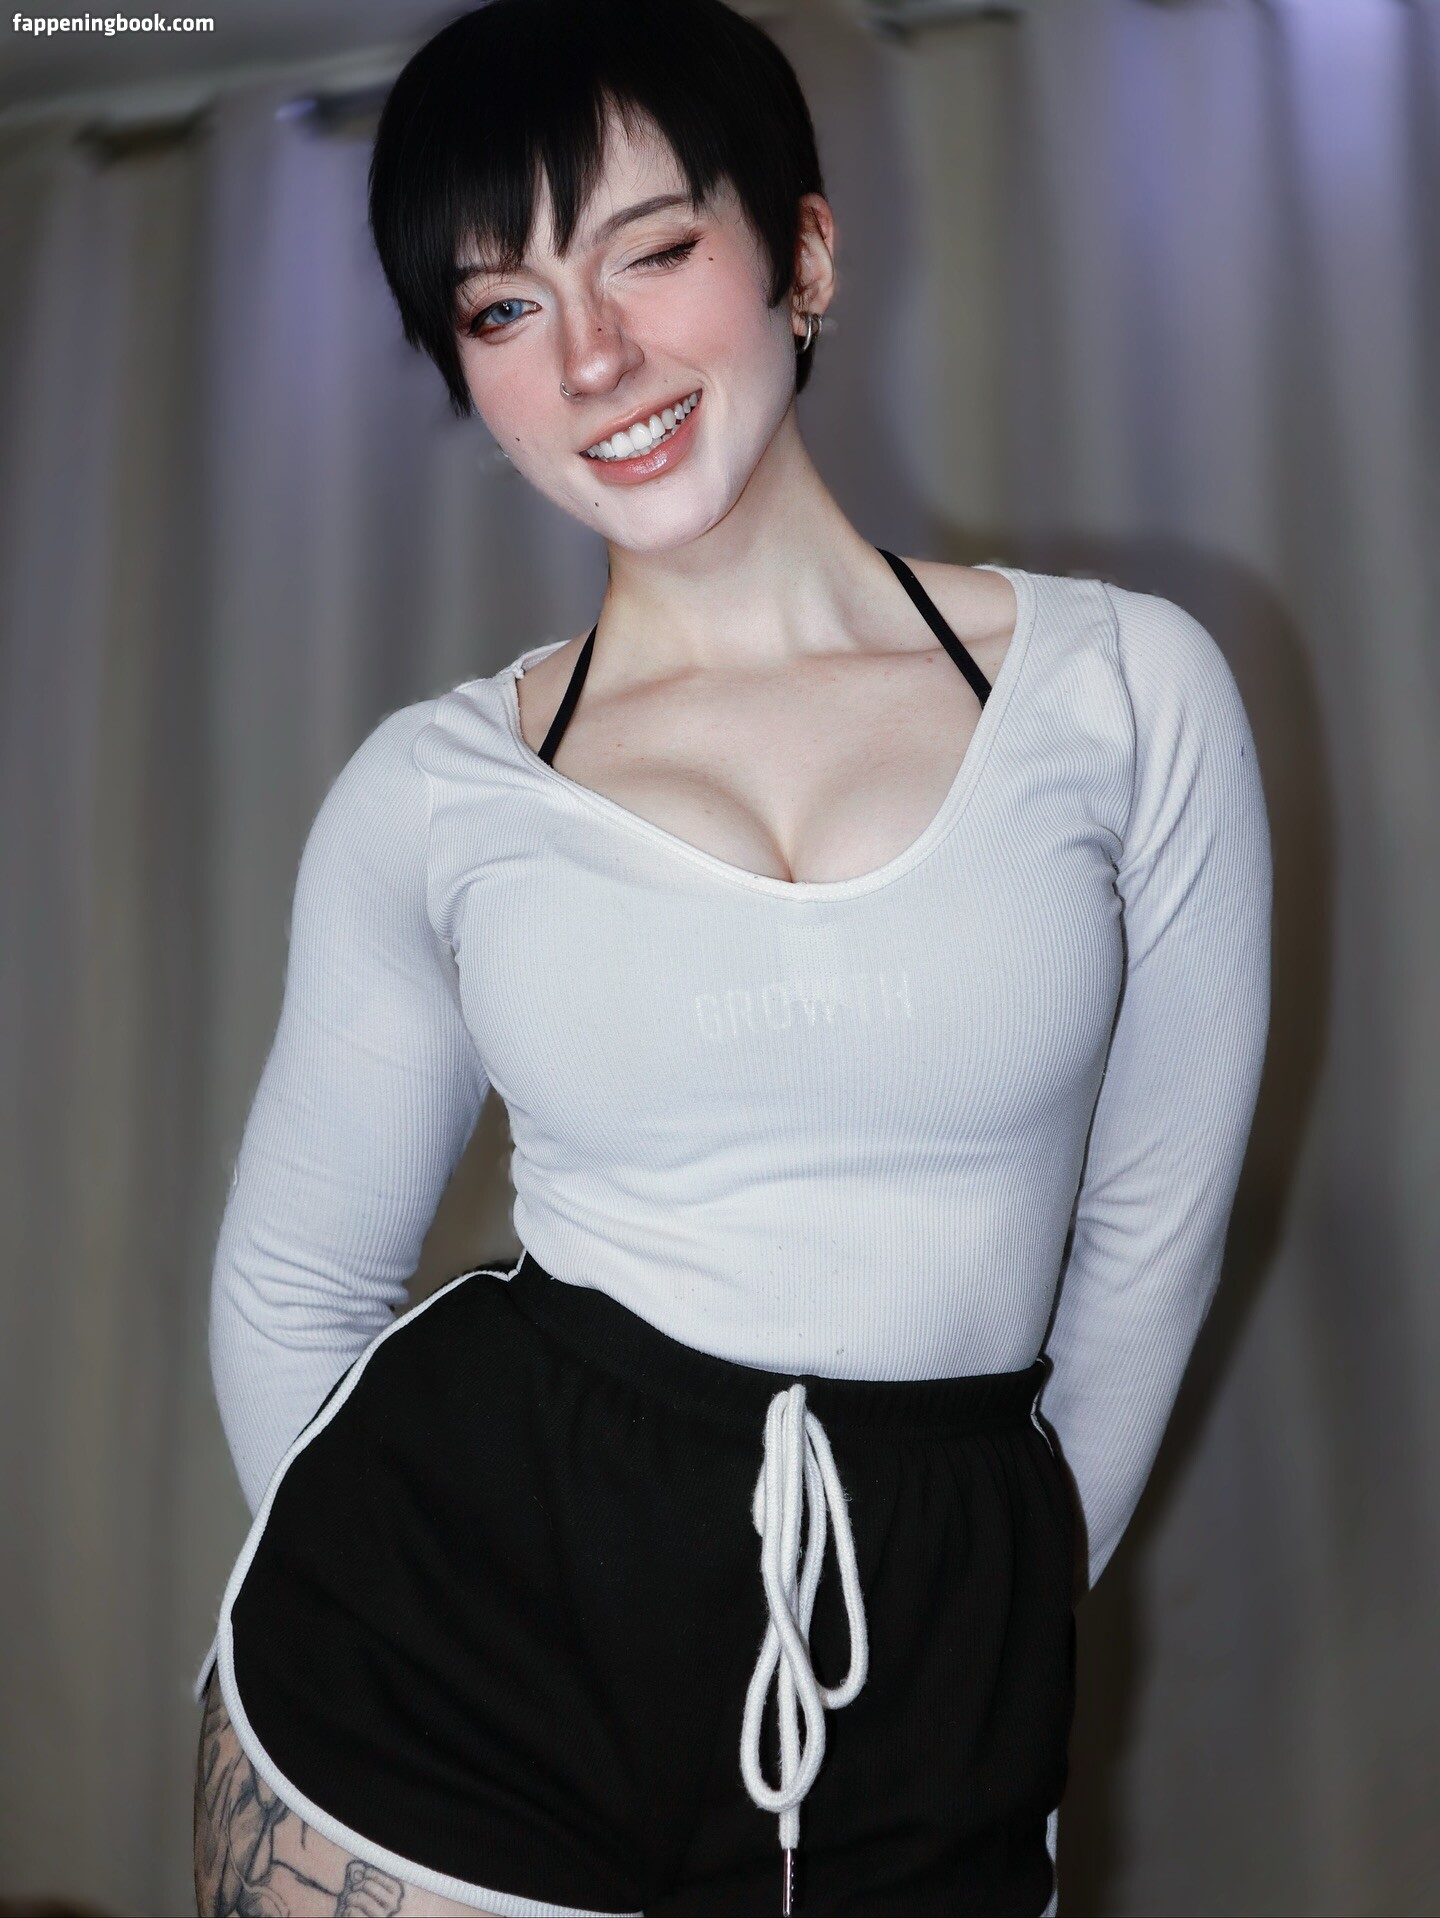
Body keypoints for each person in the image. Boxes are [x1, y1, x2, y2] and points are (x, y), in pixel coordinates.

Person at [192, 1, 1272, 1913]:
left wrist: (992, 1589)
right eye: (503, 307)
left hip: (923, 1661)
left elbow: (1149, 1242)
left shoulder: (1128, 696)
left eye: (653, 251)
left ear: (807, 255)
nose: (593, 356)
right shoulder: (432, 794)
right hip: (448, 1687)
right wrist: (446, 1596)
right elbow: (295, 1288)